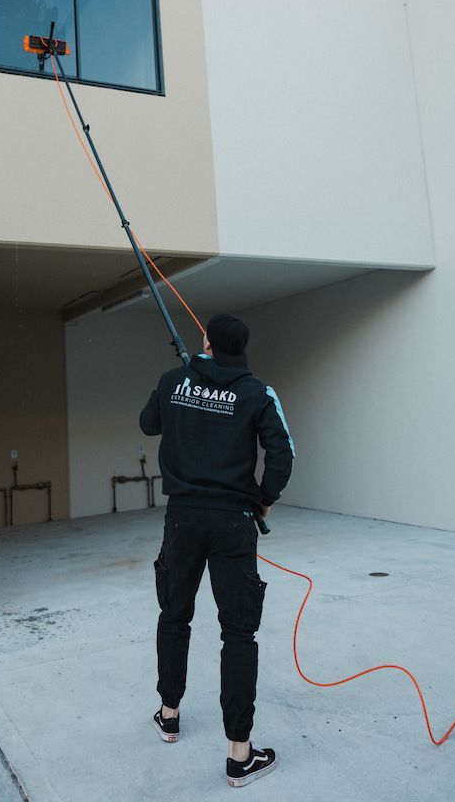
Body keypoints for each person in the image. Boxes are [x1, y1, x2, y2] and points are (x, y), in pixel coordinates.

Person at [139, 313, 294, 788]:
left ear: (205, 340)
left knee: (174, 616)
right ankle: (239, 755)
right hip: (233, 522)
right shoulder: (257, 392)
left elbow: (148, 424)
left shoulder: (172, 381)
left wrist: (186, 392)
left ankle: (169, 715)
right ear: (241, 347)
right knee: (239, 635)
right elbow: (283, 454)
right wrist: (263, 501)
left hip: (182, 519)